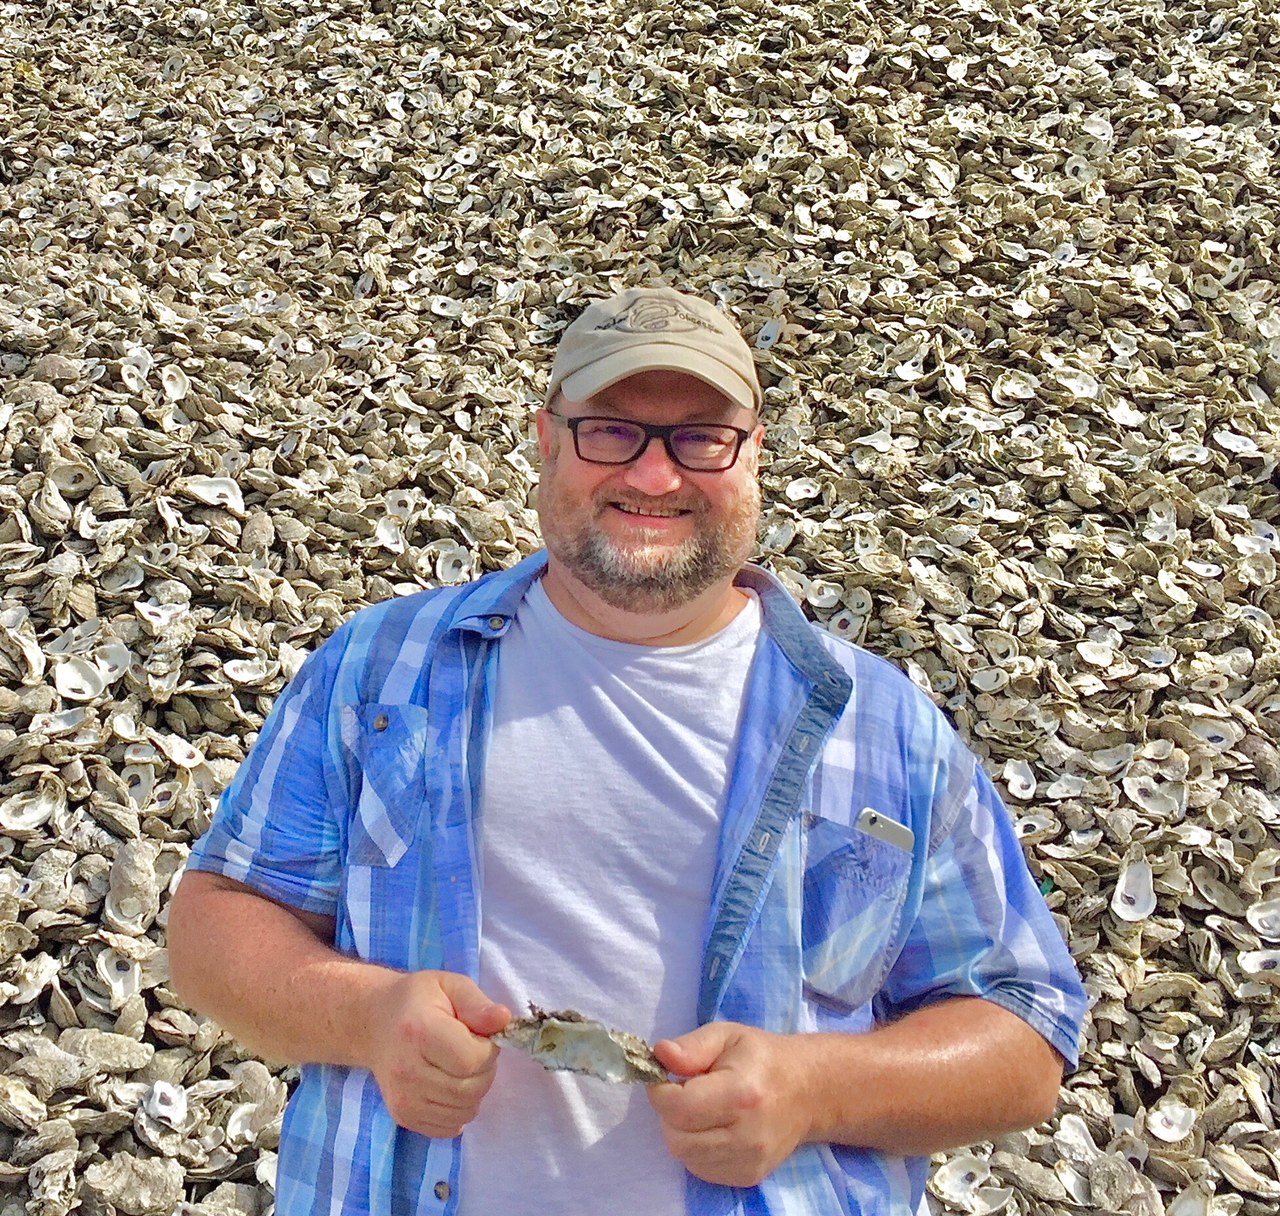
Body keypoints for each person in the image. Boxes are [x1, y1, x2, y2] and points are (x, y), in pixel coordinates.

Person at [168, 286, 1087, 1216]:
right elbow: (214, 924)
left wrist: (815, 1090)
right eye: (611, 431)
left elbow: (1026, 1038)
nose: (654, 477)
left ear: (753, 453)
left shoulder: (881, 724)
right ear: (547, 438)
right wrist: (366, 1019)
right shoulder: (381, 670)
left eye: (700, 438)